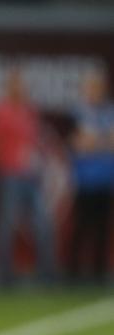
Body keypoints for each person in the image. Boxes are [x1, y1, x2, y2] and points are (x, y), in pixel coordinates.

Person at [0, 70, 55, 285]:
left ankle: (46, 272)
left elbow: (35, 142)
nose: (20, 90)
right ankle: (3, 274)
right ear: (8, 87)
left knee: (43, 223)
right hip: (8, 173)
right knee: (5, 224)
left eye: (22, 86)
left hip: (30, 174)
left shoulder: (29, 110)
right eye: (15, 85)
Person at [67, 71, 114, 284]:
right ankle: (73, 272)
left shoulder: (110, 112)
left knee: (103, 228)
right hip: (84, 179)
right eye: (90, 88)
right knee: (81, 226)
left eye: (97, 88)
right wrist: (102, 141)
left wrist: (94, 141)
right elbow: (80, 144)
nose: (94, 92)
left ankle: (98, 272)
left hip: (106, 179)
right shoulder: (78, 113)